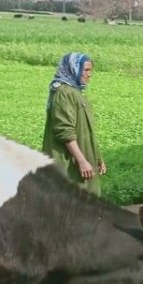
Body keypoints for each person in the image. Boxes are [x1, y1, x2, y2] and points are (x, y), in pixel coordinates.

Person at [41, 51, 106, 195]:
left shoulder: (75, 92)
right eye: (86, 70)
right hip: (69, 162)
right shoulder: (64, 92)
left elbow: (86, 130)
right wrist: (82, 161)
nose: (89, 75)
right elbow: (65, 131)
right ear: (73, 68)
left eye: (90, 70)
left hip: (83, 158)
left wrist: (97, 158)